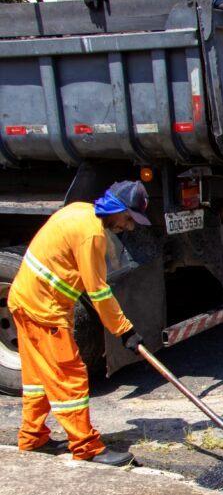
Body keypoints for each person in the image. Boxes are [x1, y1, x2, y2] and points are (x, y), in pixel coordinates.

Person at [9, 181, 150, 466]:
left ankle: (33, 437)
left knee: (37, 379)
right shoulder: (92, 236)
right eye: (128, 219)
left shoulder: (79, 211)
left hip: (23, 300)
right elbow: (98, 291)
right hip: (43, 310)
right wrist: (125, 331)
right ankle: (86, 447)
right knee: (69, 377)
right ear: (117, 210)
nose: (129, 227)